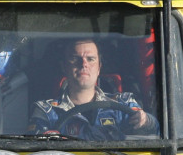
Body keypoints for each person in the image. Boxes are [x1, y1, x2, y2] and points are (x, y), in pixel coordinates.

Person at [28, 38, 158, 137]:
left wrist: (146, 121)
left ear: (99, 67)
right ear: (64, 67)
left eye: (90, 59)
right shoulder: (46, 112)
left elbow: (155, 132)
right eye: (75, 58)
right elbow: (35, 147)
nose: (83, 64)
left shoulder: (122, 104)